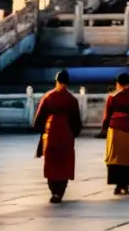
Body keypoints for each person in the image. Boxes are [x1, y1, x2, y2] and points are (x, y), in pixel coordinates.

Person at [33, 69, 83, 203]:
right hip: (66, 132)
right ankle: (60, 192)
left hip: (51, 132)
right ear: (67, 82)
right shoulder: (71, 99)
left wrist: (42, 131)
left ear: (56, 81)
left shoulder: (48, 96)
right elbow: (76, 121)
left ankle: (53, 191)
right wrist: (73, 134)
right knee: (64, 162)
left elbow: (39, 118)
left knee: (51, 162)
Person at [99, 72, 129, 195]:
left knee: (115, 158)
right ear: (128, 83)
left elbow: (107, 116)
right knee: (128, 159)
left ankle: (117, 185)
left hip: (114, 130)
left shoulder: (111, 97)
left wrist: (104, 129)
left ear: (117, 83)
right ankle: (125, 185)